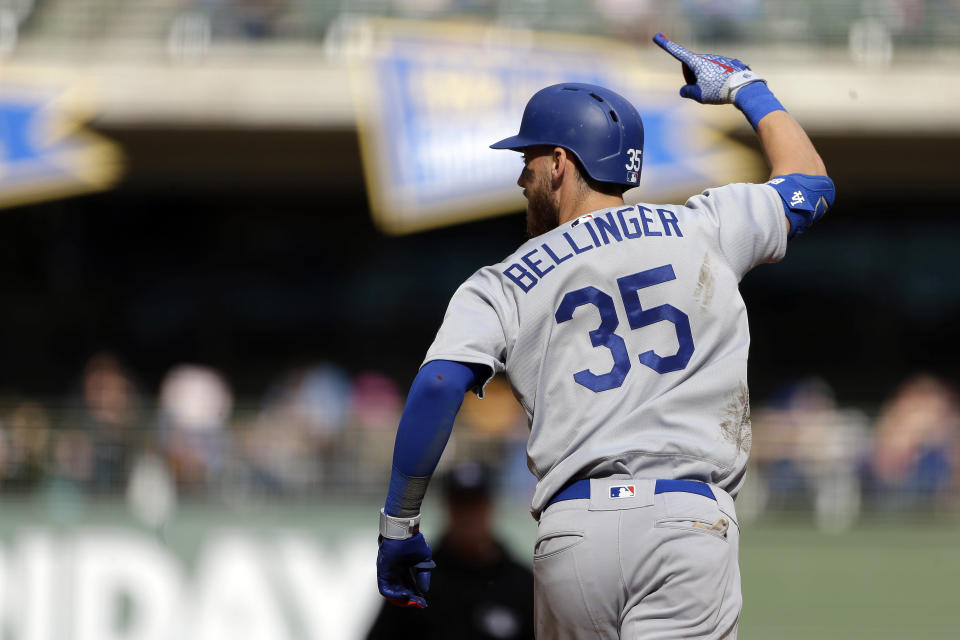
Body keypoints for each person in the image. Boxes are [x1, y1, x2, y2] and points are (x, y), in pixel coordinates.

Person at [375, 33, 834, 639]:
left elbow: (437, 384)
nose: (522, 178)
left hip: (574, 530)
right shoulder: (704, 225)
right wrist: (749, 90)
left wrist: (399, 525)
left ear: (562, 163)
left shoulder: (504, 281)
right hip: (686, 521)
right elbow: (810, 186)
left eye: (528, 160)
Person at [367, 460, 535, 640]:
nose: (468, 517)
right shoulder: (413, 581)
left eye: (475, 506)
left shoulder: (522, 584)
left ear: (490, 508)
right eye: (461, 505)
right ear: (447, 508)